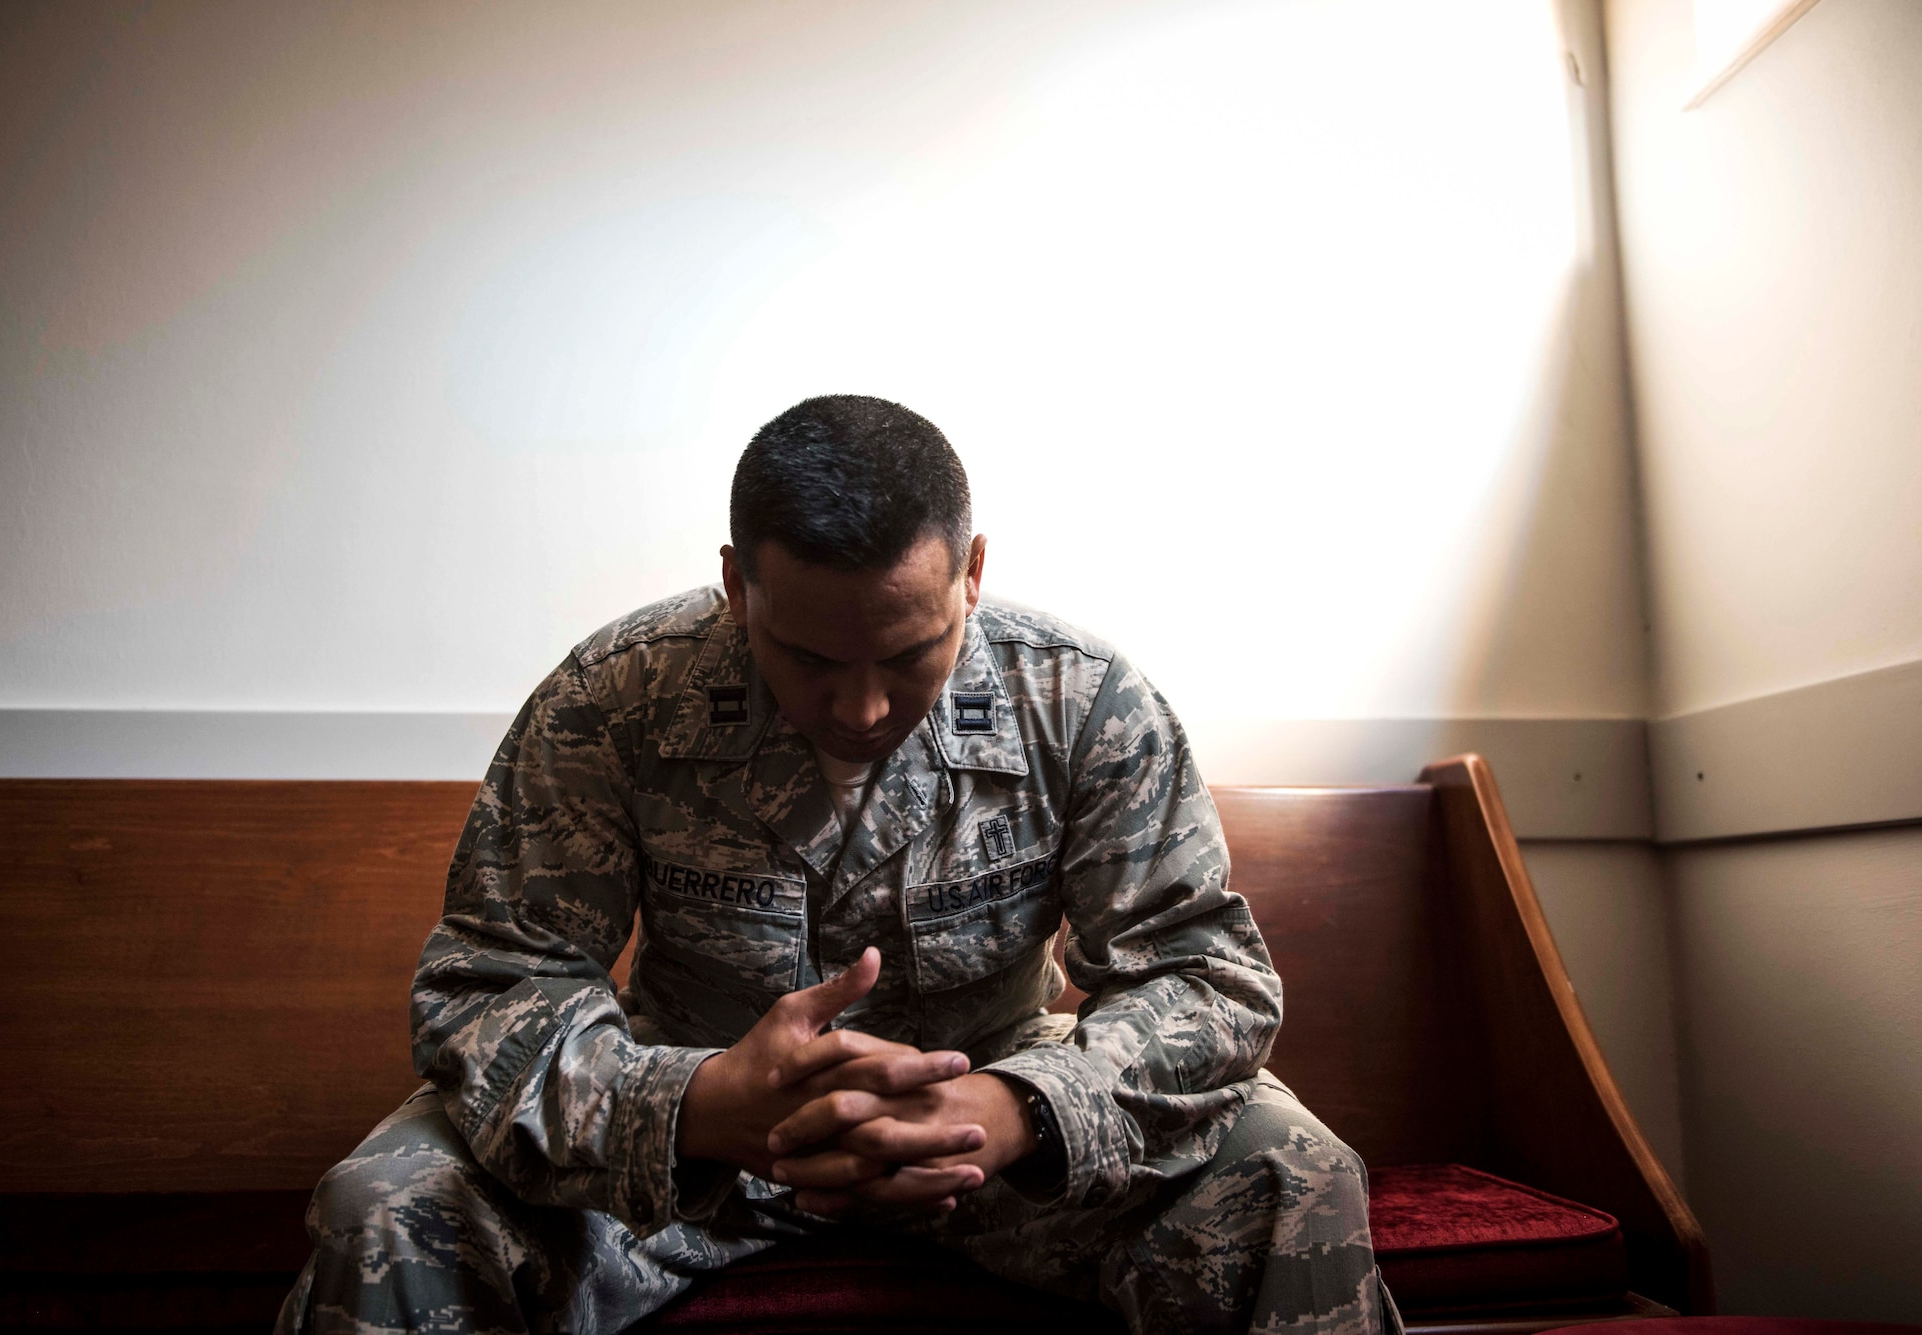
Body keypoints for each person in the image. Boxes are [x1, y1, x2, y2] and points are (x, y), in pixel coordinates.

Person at [278, 395, 1398, 1335]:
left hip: (999, 1152)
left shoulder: (1079, 700)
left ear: (971, 573)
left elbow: (1203, 979)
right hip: (678, 1155)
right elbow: (491, 990)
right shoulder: (615, 699)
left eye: (909, 655)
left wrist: (1011, 1107)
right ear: (735, 584)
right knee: (385, 1206)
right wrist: (693, 1105)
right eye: (807, 657)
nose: (861, 707)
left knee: (1292, 1175)